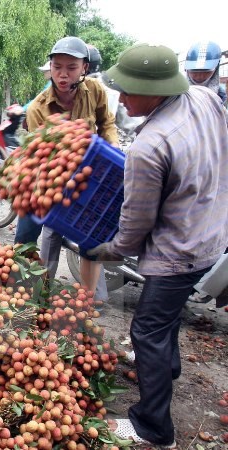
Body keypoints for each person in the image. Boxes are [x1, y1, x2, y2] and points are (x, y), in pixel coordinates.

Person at [88, 43, 228, 448]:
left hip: (180, 249)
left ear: (159, 88)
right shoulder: (202, 96)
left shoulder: (150, 146)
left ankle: (152, 427)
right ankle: (168, 370)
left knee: (147, 327)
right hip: (213, 230)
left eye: (130, 90)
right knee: (164, 317)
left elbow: (137, 224)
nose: (122, 99)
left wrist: (109, 249)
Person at [16, 36, 118, 299]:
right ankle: (25, 289)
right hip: (44, 173)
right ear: (49, 67)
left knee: (91, 235)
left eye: (71, 68)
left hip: (88, 171)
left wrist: (112, 151)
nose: (62, 74)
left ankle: (88, 299)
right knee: (28, 229)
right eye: (57, 66)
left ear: (84, 68)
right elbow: (47, 153)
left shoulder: (95, 90)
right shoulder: (39, 107)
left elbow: (106, 124)